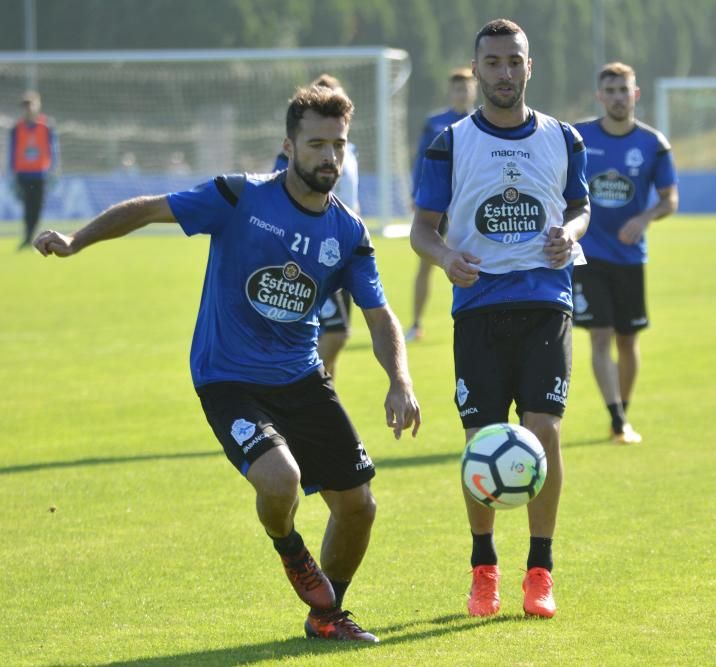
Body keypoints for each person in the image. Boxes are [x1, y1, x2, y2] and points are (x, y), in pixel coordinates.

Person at [34, 85, 420, 642]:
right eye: (316, 144)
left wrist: (399, 380)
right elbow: (147, 209)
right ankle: (290, 547)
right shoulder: (239, 197)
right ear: (288, 147)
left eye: (337, 144)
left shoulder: (349, 232)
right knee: (281, 479)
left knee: (359, 506)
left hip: (301, 375)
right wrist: (76, 240)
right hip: (228, 377)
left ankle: (327, 615)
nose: (329, 157)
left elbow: (380, 317)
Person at [410, 18, 589, 619]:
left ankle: (540, 571)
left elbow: (580, 207)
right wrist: (445, 256)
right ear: (477, 68)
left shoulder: (564, 138)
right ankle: (483, 568)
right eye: (493, 63)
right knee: (481, 442)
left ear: (529, 66)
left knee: (546, 432)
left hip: (546, 304)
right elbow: (421, 229)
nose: (504, 72)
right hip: (479, 309)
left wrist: (569, 232)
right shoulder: (451, 142)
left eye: (514, 61)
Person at [573, 62, 679, 445]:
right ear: (600, 96)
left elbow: (670, 200)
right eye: (611, 90)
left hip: (630, 257)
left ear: (636, 94)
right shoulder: (579, 138)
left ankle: (624, 408)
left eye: (625, 90)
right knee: (599, 336)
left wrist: (645, 218)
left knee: (627, 341)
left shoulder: (653, 144)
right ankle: (617, 419)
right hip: (587, 254)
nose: (618, 97)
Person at [274, 74, 360, 383]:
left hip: (342, 250)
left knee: (329, 334)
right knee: (335, 333)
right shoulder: (294, 154)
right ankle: (304, 393)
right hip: (310, 254)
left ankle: (323, 403)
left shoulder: (348, 151)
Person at [404, 67, 478, 343]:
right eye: (457, 88)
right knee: (426, 263)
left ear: (474, 89)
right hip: (438, 202)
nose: (462, 93)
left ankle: (472, 315)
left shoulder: (483, 122)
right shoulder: (435, 122)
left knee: (473, 259)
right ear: (451, 92)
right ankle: (416, 323)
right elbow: (421, 160)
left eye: (466, 88)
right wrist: (415, 193)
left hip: (468, 203)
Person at [9, 91, 58, 249]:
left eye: (30, 105)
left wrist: (54, 169)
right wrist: (11, 171)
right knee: (27, 206)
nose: (28, 109)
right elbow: (12, 150)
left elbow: (53, 149)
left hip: (40, 173)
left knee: (36, 207)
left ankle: (29, 237)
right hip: (23, 173)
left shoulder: (46, 126)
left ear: (38, 105)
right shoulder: (17, 128)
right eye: (25, 105)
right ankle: (27, 237)